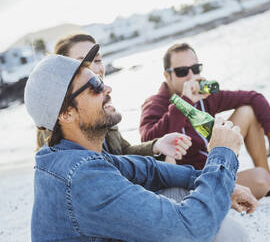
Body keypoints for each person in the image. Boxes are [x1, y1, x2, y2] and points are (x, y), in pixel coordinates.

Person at [24, 45, 258, 241]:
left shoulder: (67, 154)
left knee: (180, 192)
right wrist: (222, 153)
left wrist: (222, 183)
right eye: (94, 87)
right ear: (66, 114)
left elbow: (147, 169)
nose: (107, 87)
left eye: (98, 79)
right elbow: (191, 229)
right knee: (227, 234)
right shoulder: (82, 177)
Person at [140, 43, 270, 198]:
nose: (191, 76)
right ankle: (222, 196)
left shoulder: (204, 96)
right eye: (182, 72)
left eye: (196, 68)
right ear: (167, 75)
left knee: (247, 111)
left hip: (215, 165)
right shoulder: (156, 103)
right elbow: (149, 141)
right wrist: (185, 100)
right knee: (261, 180)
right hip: (191, 184)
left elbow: (253, 97)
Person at [36, 34, 185, 161]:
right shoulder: (60, 122)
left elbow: (122, 150)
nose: (95, 69)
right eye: (83, 63)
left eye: (98, 60)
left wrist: (155, 146)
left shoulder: (103, 103)